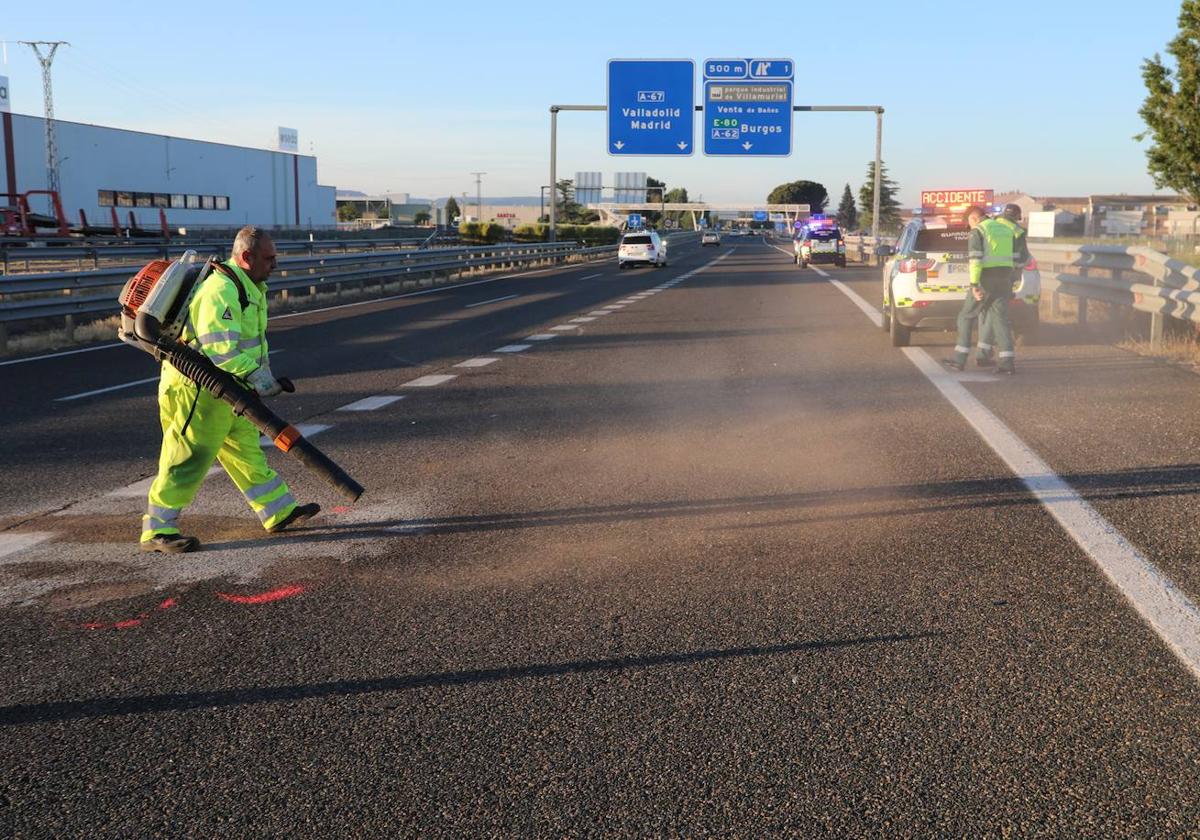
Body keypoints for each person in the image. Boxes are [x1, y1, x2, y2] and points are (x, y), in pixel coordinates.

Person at [140, 226, 320, 553]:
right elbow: (219, 350)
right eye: (269, 258)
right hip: (198, 389)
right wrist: (260, 379)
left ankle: (278, 512)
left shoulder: (248, 286)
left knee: (246, 451)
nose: (275, 264)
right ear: (246, 256)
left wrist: (258, 378)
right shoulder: (222, 289)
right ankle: (157, 529)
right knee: (187, 455)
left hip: (229, 389)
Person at [943, 206, 1017, 375]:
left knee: (966, 316)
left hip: (986, 279)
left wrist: (974, 285)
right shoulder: (1005, 229)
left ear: (974, 218)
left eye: (969, 223)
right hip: (1004, 278)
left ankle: (959, 359)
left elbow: (975, 260)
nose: (969, 227)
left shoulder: (978, 231)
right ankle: (1007, 362)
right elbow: (1013, 256)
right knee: (1000, 320)